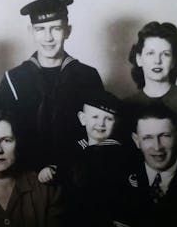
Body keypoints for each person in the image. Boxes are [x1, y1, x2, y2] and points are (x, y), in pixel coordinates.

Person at [0, 0, 104, 171]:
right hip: (28, 175)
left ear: (68, 31)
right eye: (40, 29)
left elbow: (101, 132)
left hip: (79, 172)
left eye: (55, 28)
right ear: (31, 31)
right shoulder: (13, 79)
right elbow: (5, 135)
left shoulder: (88, 76)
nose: (48, 38)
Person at [125, 21, 177, 171]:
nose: (157, 61)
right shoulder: (126, 106)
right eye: (150, 53)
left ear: (174, 61)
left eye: (165, 54)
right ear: (139, 59)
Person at [38, 90, 132, 226]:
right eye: (95, 117)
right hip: (73, 215)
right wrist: (51, 170)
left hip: (104, 217)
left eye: (108, 118)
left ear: (116, 122)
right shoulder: (76, 148)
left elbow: (127, 194)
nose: (101, 124)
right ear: (83, 119)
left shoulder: (119, 154)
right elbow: (65, 169)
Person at [112, 103, 177, 227]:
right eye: (148, 137)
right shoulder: (119, 183)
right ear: (137, 141)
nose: (157, 147)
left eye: (164, 136)